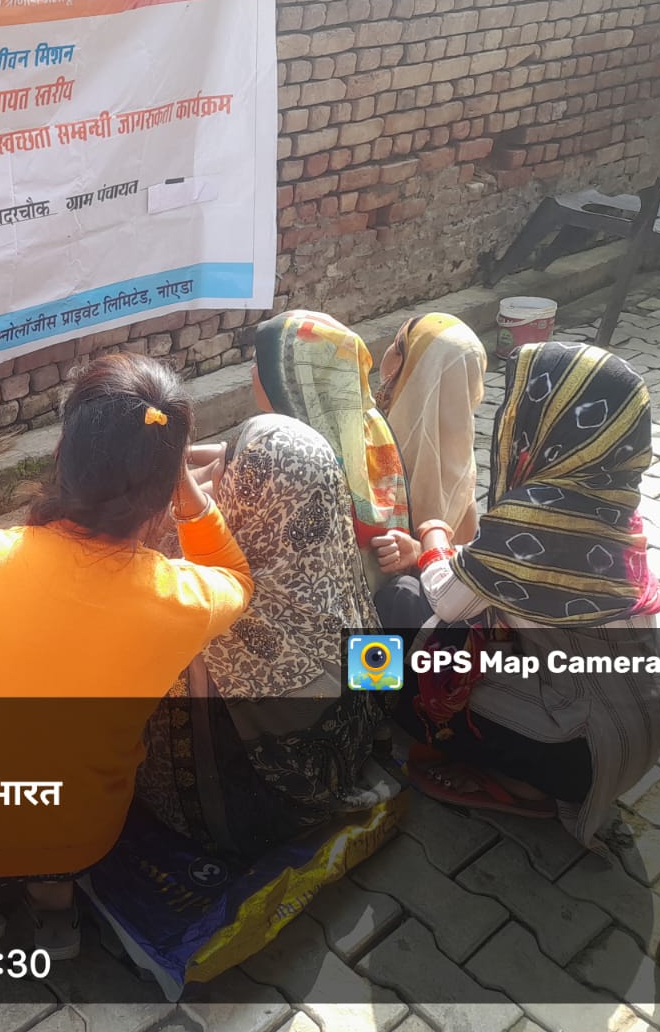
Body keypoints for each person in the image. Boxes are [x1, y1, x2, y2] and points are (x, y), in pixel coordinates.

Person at [0, 353, 253, 959]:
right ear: (165, 485)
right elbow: (237, 577)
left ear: (63, 455)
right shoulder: (184, 599)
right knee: (60, 827)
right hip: (83, 839)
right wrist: (184, 490)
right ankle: (54, 906)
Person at [375, 343, 660, 844]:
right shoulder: (607, 497)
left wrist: (432, 535)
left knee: (396, 608)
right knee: (420, 603)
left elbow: (449, 600)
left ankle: (391, 716)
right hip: (642, 724)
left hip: (582, 751)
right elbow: (512, 568)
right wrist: (442, 556)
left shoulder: (543, 510)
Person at [137, 415, 388, 859]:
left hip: (252, 814)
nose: (225, 470)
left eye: (236, 468)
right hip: (351, 747)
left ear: (248, 492)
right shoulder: (329, 552)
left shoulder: (217, 596)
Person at [252, 310, 411, 590]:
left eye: (259, 363)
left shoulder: (295, 455)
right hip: (378, 589)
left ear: (291, 380)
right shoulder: (368, 422)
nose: (252, 372)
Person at [370, 314, 489, 575]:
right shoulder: (461, 464)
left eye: (399, 346)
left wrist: (418, 551)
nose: (389, 352)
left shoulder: (374, 442)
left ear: (417, 369)